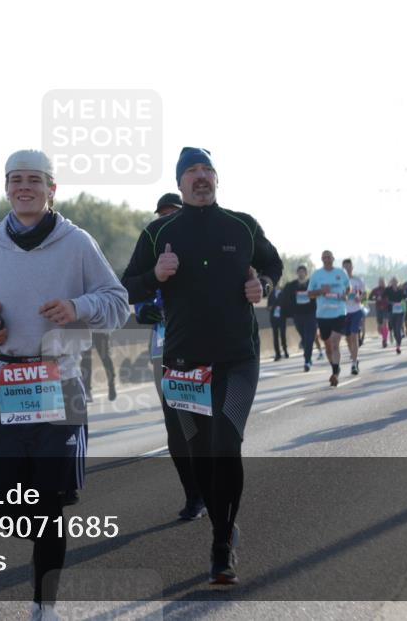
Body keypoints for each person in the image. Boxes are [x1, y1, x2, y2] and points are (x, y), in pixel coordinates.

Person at [0, 149, 129, 618]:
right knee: (11, 503)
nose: (24, 187)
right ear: (6, 187)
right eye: (16, 179)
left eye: (34, 179)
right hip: (8, 383)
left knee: (50, 504)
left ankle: (43, 605)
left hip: (60, 380)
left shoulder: (77, 242)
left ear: (52, 189)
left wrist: (78, 307)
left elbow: (118, 303)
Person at [122, 147, 282, 586]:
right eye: (191, 171)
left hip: (237, 360)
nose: (200, 177)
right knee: (199, 454)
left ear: (216, 179)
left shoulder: (242, 224)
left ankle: (221, 540)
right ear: (180, 182)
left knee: (226, 445)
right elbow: (127, 285)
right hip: (183, 365)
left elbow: (272, 262)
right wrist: (156, 275)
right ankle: (221, 524)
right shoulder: (158, 233)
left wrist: (262, 283)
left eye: (207, 170)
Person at [133, 192, 204, 520]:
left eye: (171, 214)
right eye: (161, 216)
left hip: (206, 349)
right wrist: (143, 310)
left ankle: (211, 487)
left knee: (203, 425)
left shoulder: (204, 246)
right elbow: (132, 290)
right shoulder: (150, 251)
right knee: (175, 428)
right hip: (163, 351)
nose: (166, 221)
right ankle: (193, 495)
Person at [308, 250, 350, 387]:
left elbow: (348, 289)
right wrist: (321, 291)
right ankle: (335, 367)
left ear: (333, 258)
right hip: (322, 314)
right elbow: (309, 294)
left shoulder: (340, 273)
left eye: (329, 257)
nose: (326, 259)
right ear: (321, 259)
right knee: (328, 346)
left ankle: (335, 374)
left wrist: (345, 295)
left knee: (334, 342)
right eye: (324, 257)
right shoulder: (316, 275)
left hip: (339, 313)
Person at [285, 265, 317, 371]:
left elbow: (318, 296)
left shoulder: (312, 284)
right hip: (298, 315)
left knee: (309, 338)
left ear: (306, 273)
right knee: (304, 337)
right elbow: (287, 299)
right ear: (297, 273)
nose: (301, 273)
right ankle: (307, 355)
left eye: (303, 272)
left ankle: (307, 361)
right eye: (299, 272)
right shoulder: (292, 285)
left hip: (311, 314)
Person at [341, 259, 365, 374]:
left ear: (352, 267)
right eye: (345, 267)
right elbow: (337, 294)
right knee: (348, 338)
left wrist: (359, 298)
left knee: (354, 335)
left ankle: (354, 363)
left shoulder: (357, 280)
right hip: (344, 312)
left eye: (349, 266)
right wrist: (343, 297)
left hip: (356, 310)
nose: (347, 268)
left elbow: (364, 293)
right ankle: (354, 356)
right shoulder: (340, 281)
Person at [384, 277, 406, 354]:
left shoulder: (401, 290)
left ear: (398, 282)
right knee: (394, 328)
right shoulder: (388, 290)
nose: (394, 283)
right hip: (391, 311)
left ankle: (398, 346)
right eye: (393, 281)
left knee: (398, 328)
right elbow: (384, 297)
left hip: (400, 311)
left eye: (395, 282)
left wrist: (402, 303)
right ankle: (397, 340)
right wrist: (390, 302)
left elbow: (405, 298)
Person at [268, 282, 288, 361]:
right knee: (275, 336)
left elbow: (287, 303)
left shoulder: (283, 292)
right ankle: (277, 354)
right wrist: (272, 307)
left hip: (282, 317)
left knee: (283, 334)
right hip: (274, 318)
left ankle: (285, 350)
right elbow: (268, 306)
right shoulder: (271, 293)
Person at [369, 277, 390, 349]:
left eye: (383, 281)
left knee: (385, 323)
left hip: (386, 309)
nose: (382, 283)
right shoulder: (375, 290)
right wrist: (376, 298)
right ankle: (384, 334)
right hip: (378, 309)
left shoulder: (388, 289)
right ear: (378, 282)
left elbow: (393, 296)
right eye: (380, 281)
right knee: (379, 327)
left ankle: (385, 340)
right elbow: (370, 298)